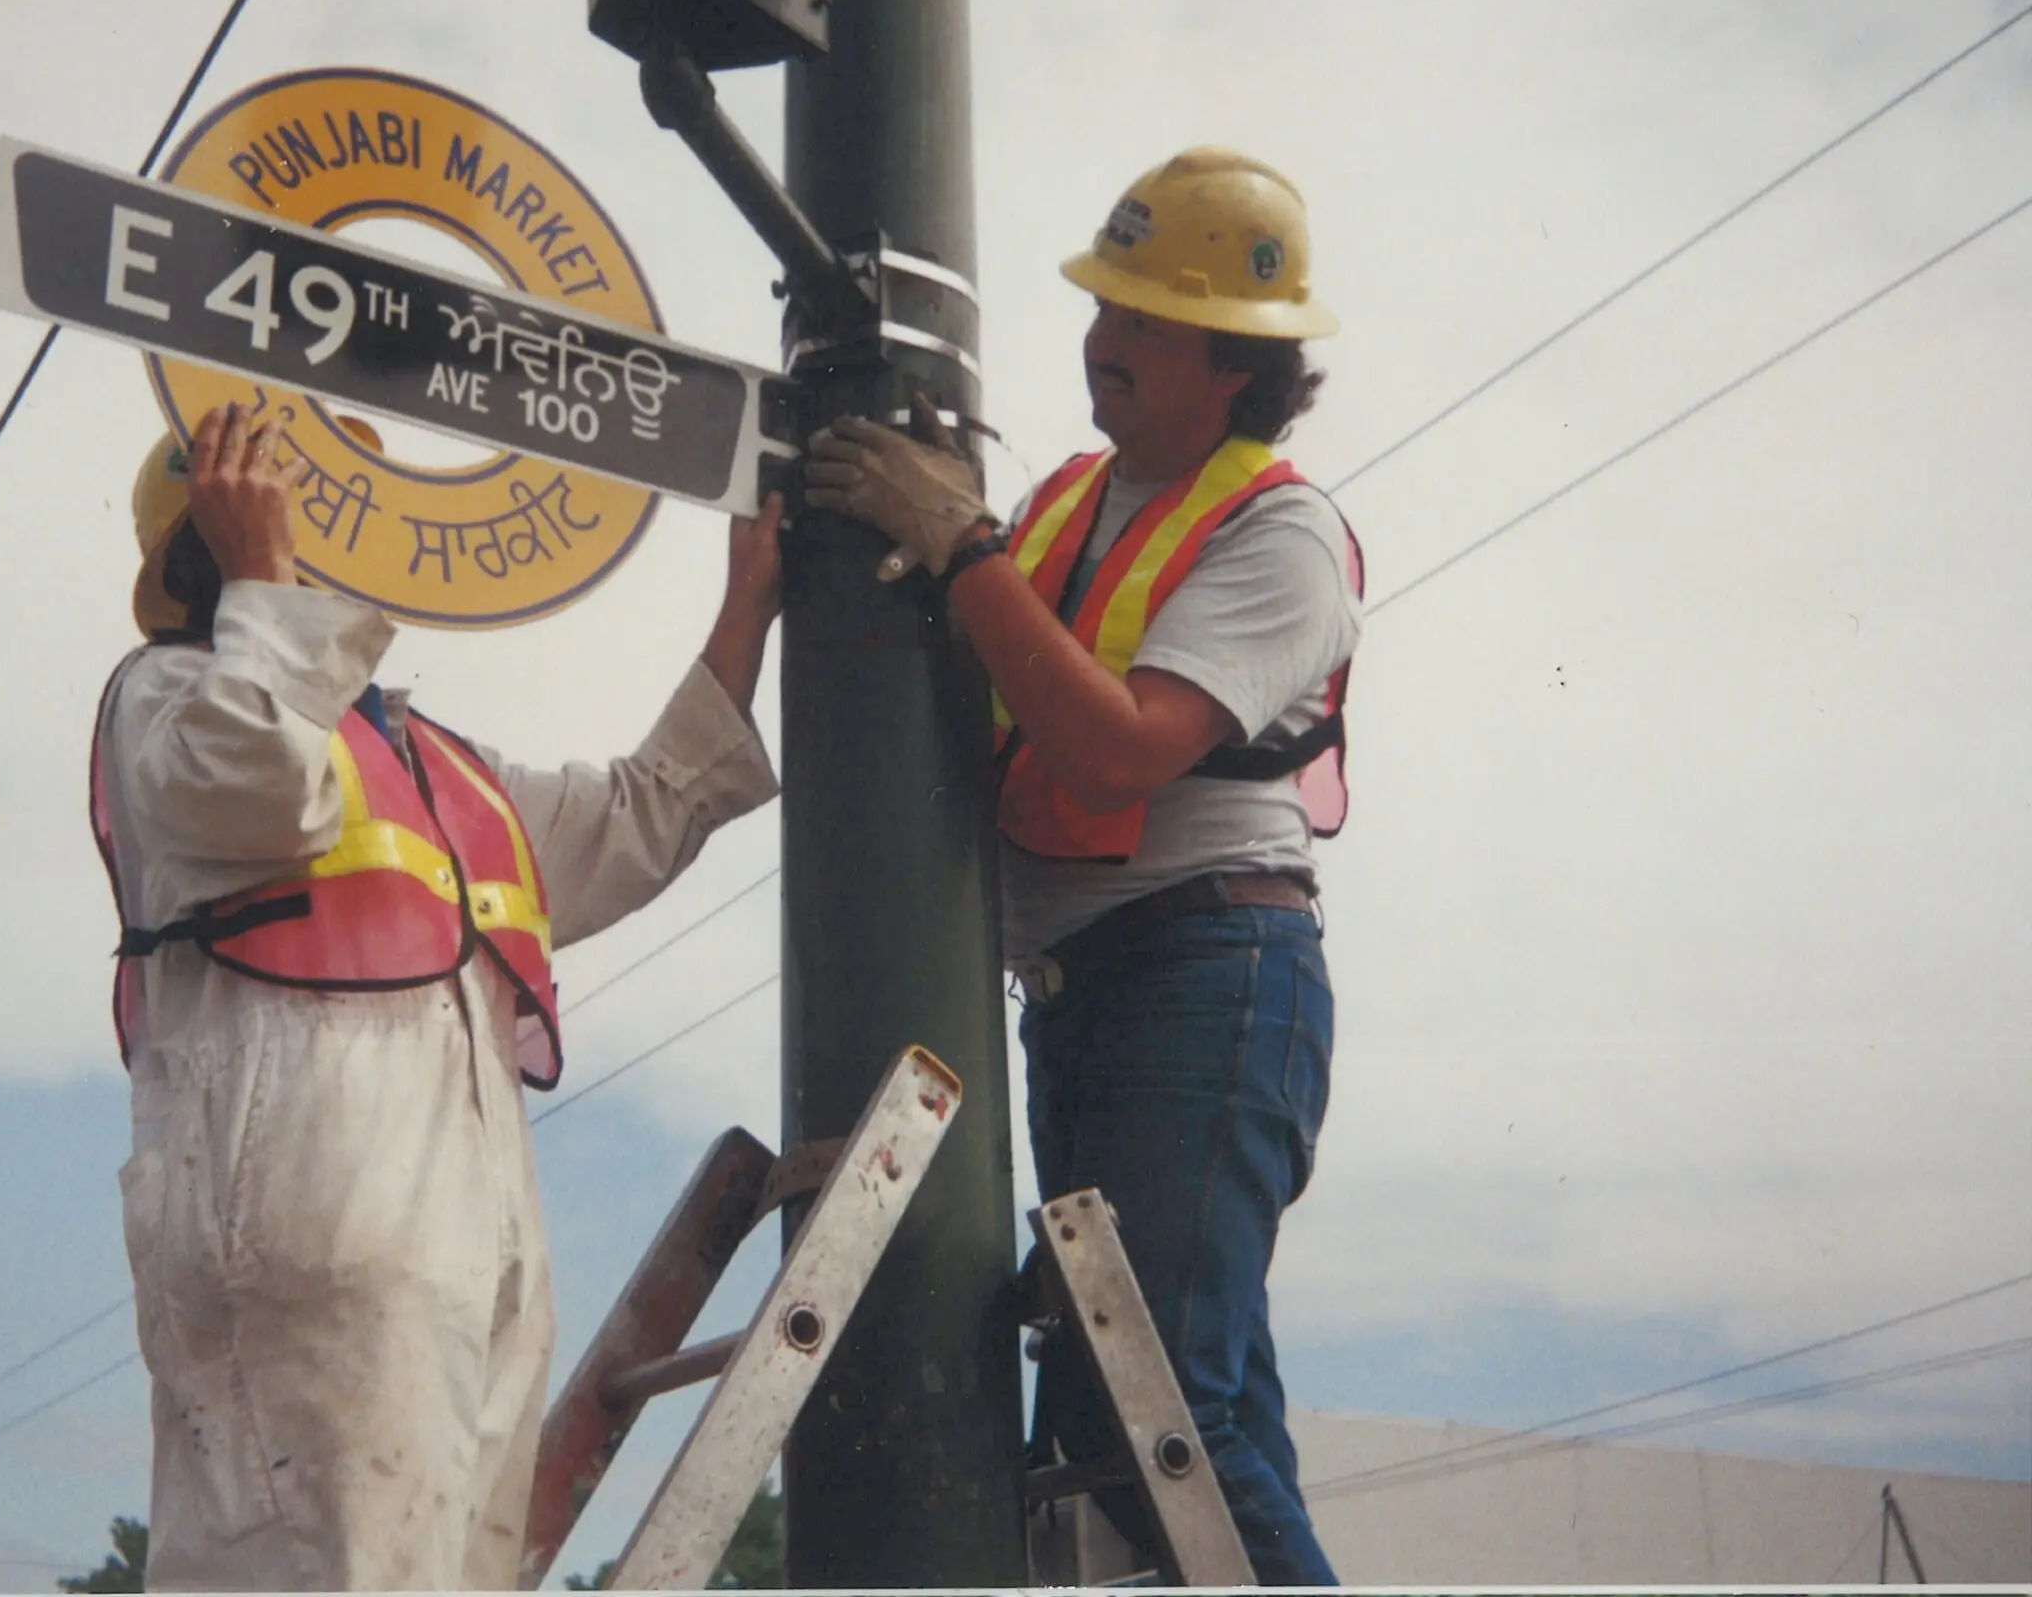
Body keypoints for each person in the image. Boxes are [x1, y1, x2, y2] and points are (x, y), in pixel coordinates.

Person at [91, 401, 784, 1590]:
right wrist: (262, 576)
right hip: (310, 1250)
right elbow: (257, 784)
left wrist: (746, 610)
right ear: (213, 547)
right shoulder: (168, 696)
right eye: (307, 518)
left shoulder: (435, 767)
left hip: (468, 1272)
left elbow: (638, 814)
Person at [805, 147, 1361, 1585]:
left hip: (1209, 977)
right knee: (1172, 1408)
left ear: (1234, 365)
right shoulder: (1063, 503)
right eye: (1104, 307)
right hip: (1093, 998)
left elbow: (1119, 750)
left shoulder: (1285, 534)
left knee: (1154, 1406)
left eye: (1143, 322)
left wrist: (958, 544)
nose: (1099, 339)